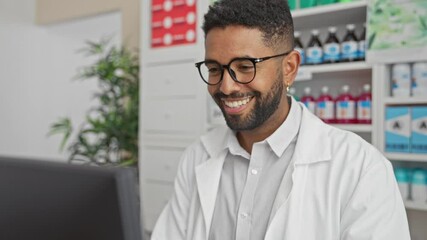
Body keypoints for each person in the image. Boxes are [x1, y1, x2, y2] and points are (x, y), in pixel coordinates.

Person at [151, 0, 411, 239]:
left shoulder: (361, 169)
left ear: (289, 68)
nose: (226, 87)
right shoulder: (197, 157)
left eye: (244, 67)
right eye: (214, 69)